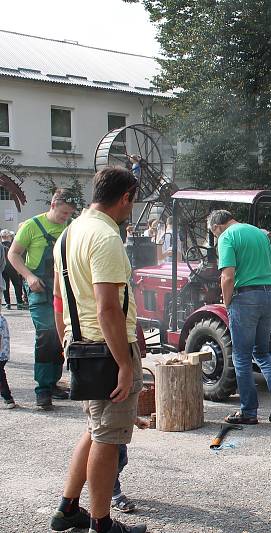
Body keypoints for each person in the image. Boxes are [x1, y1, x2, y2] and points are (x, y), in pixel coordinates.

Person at [49, 166, 145, 533]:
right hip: (106, 349)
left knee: (94, 429)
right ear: (125, 198)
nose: (130, 209)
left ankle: (68, 509)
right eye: (131, 202)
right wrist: (124, 362)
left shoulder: (68, 234)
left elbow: (60, 298)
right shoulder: (105, 237)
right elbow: (107, 307)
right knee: (107, 437)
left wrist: (65, 343)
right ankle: (101, 524)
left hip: (82, 344)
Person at [207, 209, 271, 425]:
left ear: (217, 227)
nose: (216, 239)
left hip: (245, 297)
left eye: (213, 235)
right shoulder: (259, 234)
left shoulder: (227, 236)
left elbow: (228, 275)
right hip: (268, 294)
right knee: (262, 352)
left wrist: (226, 304)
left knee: (241, 356)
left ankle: (248, 412)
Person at [8, 190, 76, 409]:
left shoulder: (72, 227)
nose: (66, 217)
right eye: (63, 212)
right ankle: (43, 390)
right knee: (46, 335)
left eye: (69, 213)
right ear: (53, 204)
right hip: (39, 289)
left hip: (64, 290)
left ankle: (54, 382)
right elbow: (13, 254)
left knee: (62, 335)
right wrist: (29, 276)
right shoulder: (31, 226)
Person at [0, 257, 13, 408]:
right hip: (3, 355)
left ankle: (8, 398)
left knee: (1, 377)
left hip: (0, 355)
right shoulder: (2, 319)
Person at [2, 229, 26, 310]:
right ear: (9, 237)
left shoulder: (1, 246)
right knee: (17, 285)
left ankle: (7, 303)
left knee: (6, 286)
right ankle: (19, 303)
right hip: (13, 267)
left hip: (3, 269)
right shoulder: (13, 245)